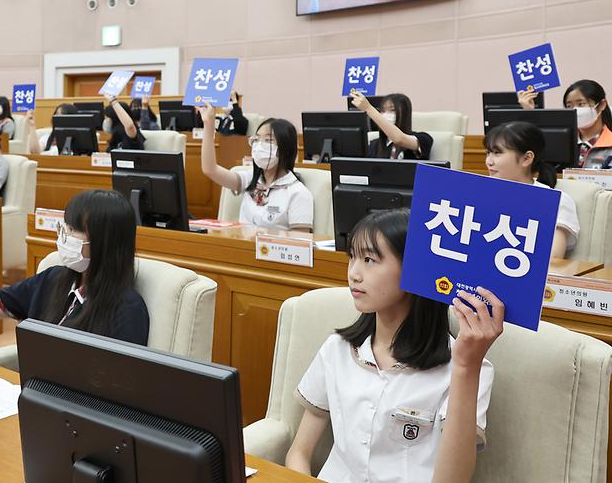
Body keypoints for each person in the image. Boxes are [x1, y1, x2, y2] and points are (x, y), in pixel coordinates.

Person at [285, 209, 503, 483]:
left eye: (369, 260)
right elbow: (298, 454)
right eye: (352, 257)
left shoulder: (469, 368)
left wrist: (465, 368)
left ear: (415, 270)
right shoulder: (337, 349)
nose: (354, 273)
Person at [0, 188, 149, 345]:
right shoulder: (52, 279)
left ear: (106, 242)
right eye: (66, 227)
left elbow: (118, 388)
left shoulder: (127, 309)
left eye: (74, 230)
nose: (65, 235)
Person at [199, 103, 313, 231]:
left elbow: (300, 243)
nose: (259, 146)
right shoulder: (250, 179)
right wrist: (208, 125)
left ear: (285, 148)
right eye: (257, 139)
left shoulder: (298, 193)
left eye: (268, 140)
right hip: (242, 247)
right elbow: (210, 169)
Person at [484, 121, 580, 259]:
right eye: (488, 153)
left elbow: (553, 258)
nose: (489, 161)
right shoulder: (480, 193)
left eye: (497, 153)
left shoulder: (555, 201)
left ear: (527, 158)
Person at [519, 79, 612, 168]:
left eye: (581, 104)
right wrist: (530, 112)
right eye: (569, 106)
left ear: (602, 105)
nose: (575, 110)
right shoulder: (562, 141)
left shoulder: (609, 142)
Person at [351, 91, 434, 160]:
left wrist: (368, 109)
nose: (386, 115)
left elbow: (399, 139)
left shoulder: (424, 139)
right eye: (383, 111)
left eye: (392, 110)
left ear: (405, 114)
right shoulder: (374, 145)